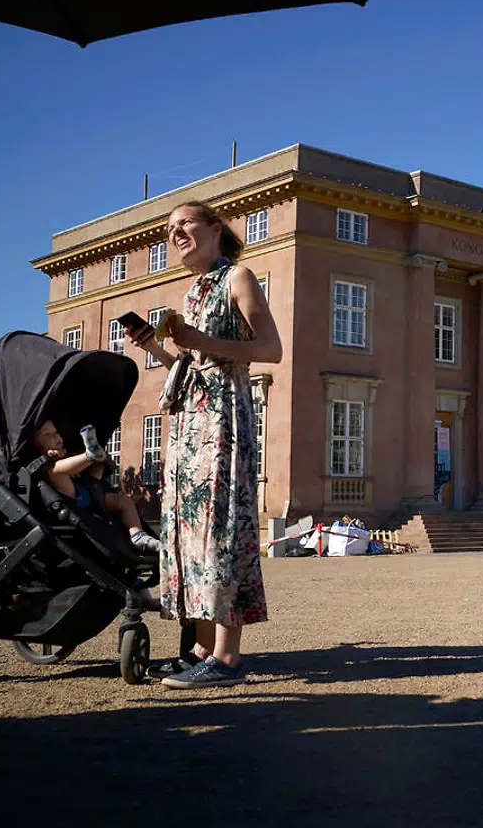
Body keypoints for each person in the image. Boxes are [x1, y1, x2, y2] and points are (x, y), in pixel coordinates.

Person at [131, 200, 282, 688]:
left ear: (215, 228)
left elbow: (270, 349)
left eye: (185, 224)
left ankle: (228, 658)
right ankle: (199, 648)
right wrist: (155, 347)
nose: (174, 234)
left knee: (219, 529)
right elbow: (189, 362)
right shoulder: (192, 289)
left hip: (221, 421)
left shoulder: (238, 277)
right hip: (189, 424)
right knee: (187, 534)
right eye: (169, 228)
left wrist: (201, 340)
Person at [31, 419, 160, 555]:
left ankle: (137, 535)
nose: (56, 436)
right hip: (71, 501)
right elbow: (56, 470)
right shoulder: (45, 465)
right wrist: (48, 457)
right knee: (55, 471)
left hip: (93, 495)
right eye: (47, 435)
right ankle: (90, 455)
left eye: (56, 432)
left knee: (124, 500)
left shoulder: (66, 454)